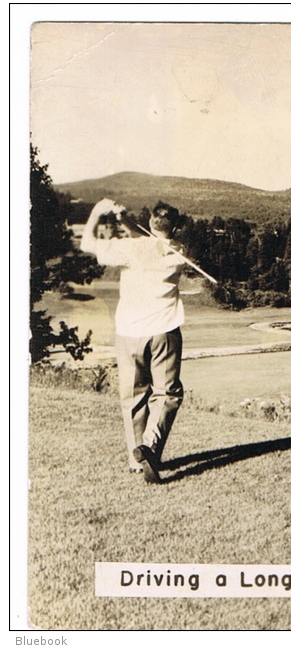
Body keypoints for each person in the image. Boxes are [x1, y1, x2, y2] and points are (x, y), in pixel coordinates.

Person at [81, 199, 189, 484]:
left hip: (129, 331)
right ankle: (151, 448)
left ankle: (135, 458)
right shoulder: (179, 250)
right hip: (164, 330)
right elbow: (150, 240)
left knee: (133, 396)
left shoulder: (131, 249)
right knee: (167, 394)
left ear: (151, 221)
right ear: (174, 227)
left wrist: (98, 211)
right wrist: (126, 220)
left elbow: (87, 244)